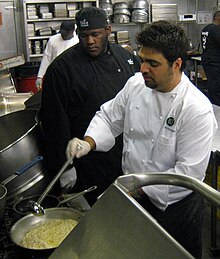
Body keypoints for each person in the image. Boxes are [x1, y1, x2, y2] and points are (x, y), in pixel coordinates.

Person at [66, 21, 218, 258]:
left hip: (173, 207)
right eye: (142, 59)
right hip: (134, 195)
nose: (143, 68)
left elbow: (187, 175)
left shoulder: (195, 109)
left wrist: (136, 189)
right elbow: (109, 117)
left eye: (153, 63)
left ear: (177, 64)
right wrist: (87, 142)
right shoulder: (136, 84)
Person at [39, 7, 140, 205]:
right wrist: (65, 168)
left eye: (95, 34)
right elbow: (54, 123)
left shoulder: (126, 58)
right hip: (86, 158)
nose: (90, 41)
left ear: (108, 30)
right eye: (84, 36)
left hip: (125, 154)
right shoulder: (61, 69)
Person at [35, 20, 79, 90]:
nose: (63, 35)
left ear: (72, 31)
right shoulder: (53, 40)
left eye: (66, 34)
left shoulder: (77, 42)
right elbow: (47, 58)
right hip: (56, 75)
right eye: (62, 33)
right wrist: (40, 76)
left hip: (72, 76)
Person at [201, 11, 220, 106]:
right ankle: (216, 106)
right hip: (215, 62)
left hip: (206, 60)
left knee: (212, 84)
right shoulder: (216, 30)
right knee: (216, 86)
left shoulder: (206, 28)